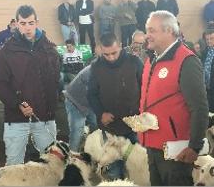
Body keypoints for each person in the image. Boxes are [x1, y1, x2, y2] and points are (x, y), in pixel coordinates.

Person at [140, 10, 209, 185]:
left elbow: (199, 108)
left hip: (176, 151)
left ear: (169, 31)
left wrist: (194, 146)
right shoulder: (151, 60)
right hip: (153, 146)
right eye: (147, 30)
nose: (147, 35)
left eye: (152, 30)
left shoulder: (186, 60)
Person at [0, 5, 60, 165]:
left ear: (37, 22)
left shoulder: (50, 49)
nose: (27, 27)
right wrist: (18, 104)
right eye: (23, 23)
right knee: (14, 165)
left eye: (30, 23)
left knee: (52, 165)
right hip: (16, 118)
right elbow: (0, 85)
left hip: (45, 117)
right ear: (16, 24)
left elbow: (55, 81)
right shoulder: (5, 52)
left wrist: (52, 109)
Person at [87, 32, 142, 178]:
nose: (111, 58)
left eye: (114, 53)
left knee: (139, 167)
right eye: (106, 54)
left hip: (134, 125)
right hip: (110, 128)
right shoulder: (96, 67)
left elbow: (146, 89)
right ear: (100, 50)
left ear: (121, 46)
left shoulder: (134, 62)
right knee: (113, 171)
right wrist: (101, 113)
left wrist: (142, 114)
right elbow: (91, 94)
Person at [64, 65, 97, 152]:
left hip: (90, 102)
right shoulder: (96, 70)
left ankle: (91, 149)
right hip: (75, 101)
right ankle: (72, 158)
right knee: (77, 131)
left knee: (96, 125)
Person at [201, 28, 214, 112]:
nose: (209, 41)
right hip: (207, 89)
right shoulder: (204, 52)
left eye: (211, 38)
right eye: (207, 39)